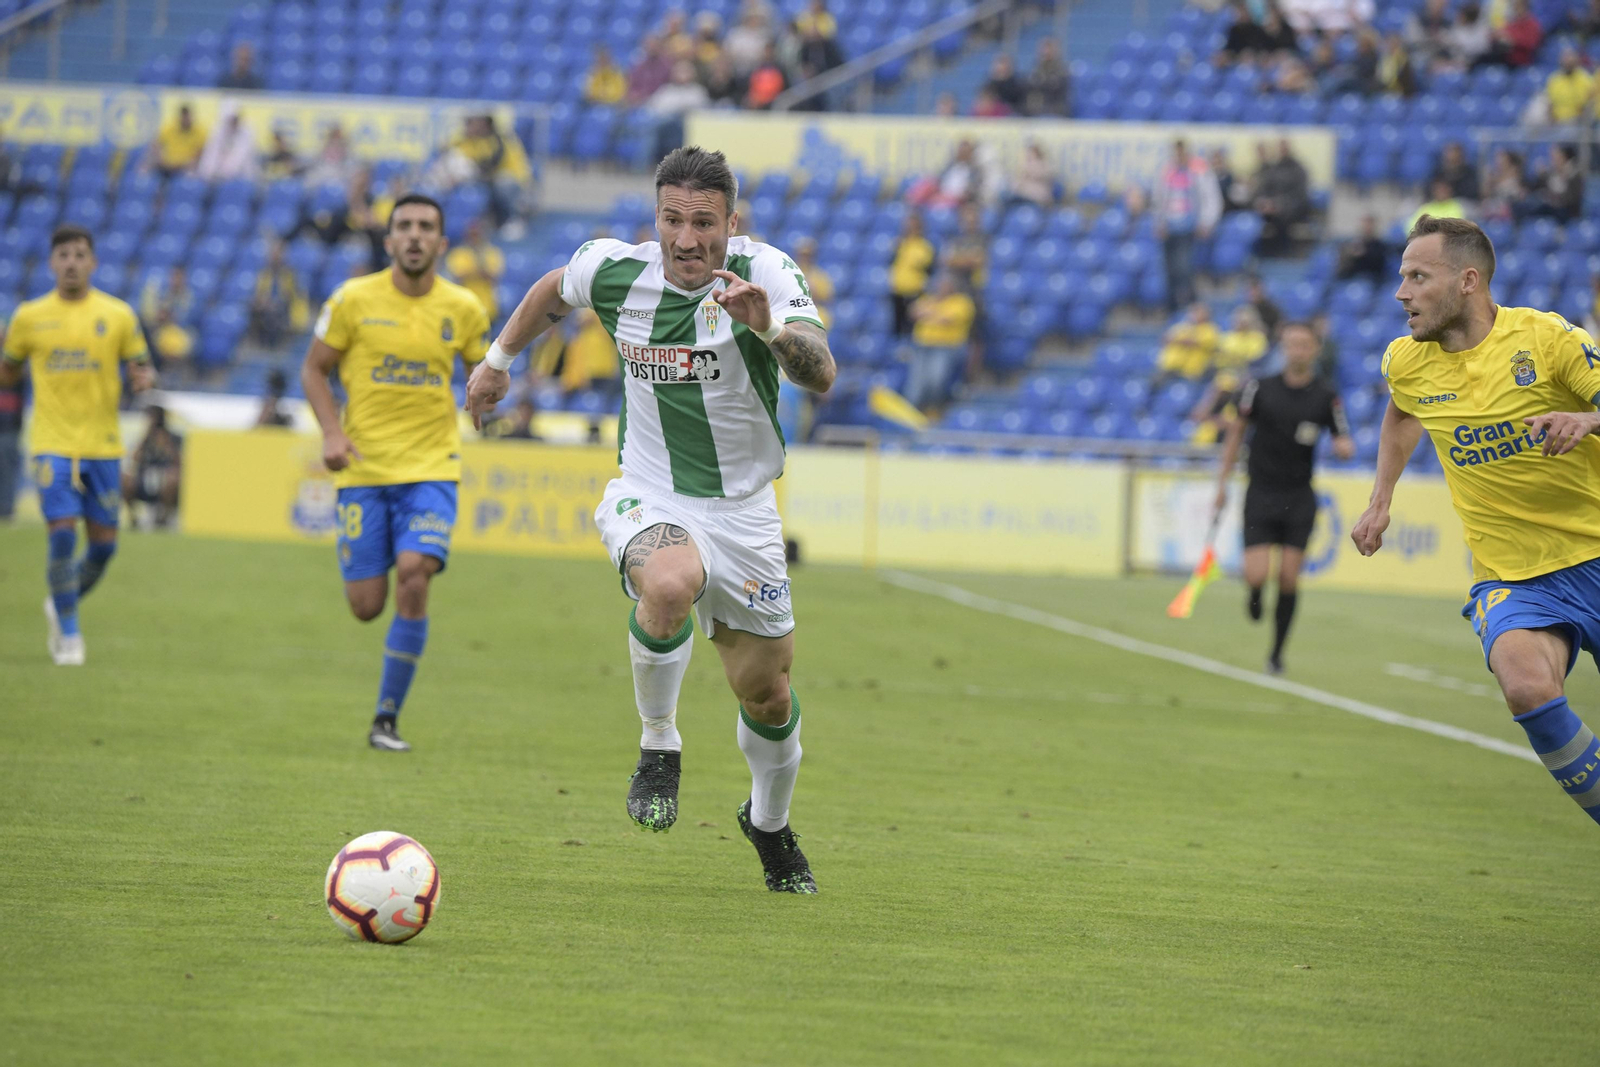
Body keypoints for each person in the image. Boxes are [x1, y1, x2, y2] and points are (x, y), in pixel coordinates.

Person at [464, 146, 836, 893]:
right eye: (673, 220)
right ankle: (658, 746)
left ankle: (767, 823)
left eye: (705, 222)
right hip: (651, 490)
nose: (688, 239)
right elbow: (551, 291)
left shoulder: (766, 273)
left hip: (745, 513)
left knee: (767, 693)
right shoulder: (614, 269)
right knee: (669, 581)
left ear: (733, 223)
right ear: (655, 219)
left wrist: (766, 331)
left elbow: (820, 372)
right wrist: (498, 359)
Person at [1352, 213, 1600, 830]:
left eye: (1417, 276)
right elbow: (1402, 416)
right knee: (1524, 683)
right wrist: (1381, 498)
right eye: (1400, 276)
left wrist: (1588, 421)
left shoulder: (1548, 342)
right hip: (1513, 576)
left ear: (1467, 281)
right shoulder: (1406, 362)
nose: (1400, 293)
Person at [299, 194, 490, 752]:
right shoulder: (353, 300)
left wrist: (488, 390)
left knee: (414, 572)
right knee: (365, 607)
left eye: (425, 227)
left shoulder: (464, 308)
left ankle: (386, 719)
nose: (414, 235)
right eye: (403, 226)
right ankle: (385, 710)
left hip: (432, 467)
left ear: (441, 242)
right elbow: (313, 369)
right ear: (388, 241)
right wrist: (333, 434)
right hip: (364, 471)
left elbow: (482, 370)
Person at [0, 225, 153, 666]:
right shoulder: (29, 317)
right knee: (64, 535)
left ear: (93, 263)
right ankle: (69, 632)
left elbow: (140, 366)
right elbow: (8, 370)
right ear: (52, 263)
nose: (71, 262)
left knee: (104, 546)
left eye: (79, 254)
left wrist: (144, 378)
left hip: (103, 445)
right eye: (63, 254)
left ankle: (60, 599)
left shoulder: (118, 315)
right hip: (51, 443)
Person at [1215, 321, 1354, 674]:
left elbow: (1342, 436)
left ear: (1314, 350)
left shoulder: (1325, 395)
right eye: (1292, 344)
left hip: (1299, 497)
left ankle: (1276, 653)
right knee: (1257, 574)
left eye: (1304, 345)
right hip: (1260, 493)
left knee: (1290, 578)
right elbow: (1236, 434)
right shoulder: (1259, 388)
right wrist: (1222, 482)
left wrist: (1344, 447)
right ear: (1283, 347)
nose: (1298, 351)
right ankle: (1255, 594)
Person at [1154, 139, 1222, 313]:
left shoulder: (1199, 171)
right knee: (1169, 270)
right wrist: (1159, 222)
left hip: (1189, 227)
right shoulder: (1167, 171)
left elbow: (1211, 198)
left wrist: (1206, 222)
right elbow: (1159, 200)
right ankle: (1172, 306)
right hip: (1170, 227)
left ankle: (1191, 304)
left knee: (1184, 267)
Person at [905, 271, 976, 411]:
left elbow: (947, 320)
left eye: (945, 285)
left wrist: (928, 314)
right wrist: (935, 313)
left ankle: (933, 408)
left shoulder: (961, 301)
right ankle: (914, 412)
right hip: (922, 345)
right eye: (939, 284)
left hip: (945, 347)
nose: (941, 287)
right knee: (916, 381)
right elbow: (913, 312)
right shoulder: (928, 298)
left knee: (936, 379)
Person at [121, 404, 182, 528]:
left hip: (163, 477)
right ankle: (134, 518)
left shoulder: (173, 437)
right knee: (125, 479)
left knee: (173, 479)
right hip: (144, 477)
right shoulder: (145, 438)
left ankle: (162, 518)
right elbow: (134, 458)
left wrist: (166, 445)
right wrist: (145, 439)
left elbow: (178, 462)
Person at [1252, 139, 1310, 257]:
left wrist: (1279, 204)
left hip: (1291, 208)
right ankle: (1259, 253)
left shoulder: (1297, 169)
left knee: (1282, 216)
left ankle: (1282, 252)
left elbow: (1300, 195)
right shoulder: (1273, 169)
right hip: (1270, 207)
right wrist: (1264, 202)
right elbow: (1264, 189)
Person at [249, 240, 309, 348]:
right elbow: (260, 292)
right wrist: (262, 300)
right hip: (267, 306)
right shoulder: (265, 272)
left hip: (285, 307)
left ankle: (276, 345)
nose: (275, 255)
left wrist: (274, 302)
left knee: (275, 312)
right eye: (273, 252)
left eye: (278, 252)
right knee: (255, 308)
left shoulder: (290, 273)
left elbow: (292, 295)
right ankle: (261, 342)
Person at [444, 218, 505, 323]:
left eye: (477, 234)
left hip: (487, 307)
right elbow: (458, 276)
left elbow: (493, 276)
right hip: (464, 306)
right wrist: (477, 272)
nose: (474, 238)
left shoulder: (492, 252)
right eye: (472, 235)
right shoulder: (458, 253)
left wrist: (475, 268)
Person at [889, 213, 935, 338]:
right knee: (897, 327)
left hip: (915, 292)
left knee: (912, 326)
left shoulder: (924, 246)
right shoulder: (900, 244)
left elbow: (927, 268)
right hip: (897, 291)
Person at [1154, 302, 1220, 385]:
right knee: (1156, 382)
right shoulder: (1182, 326)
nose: (1195, 315)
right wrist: (1178, 339)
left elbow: (1193, 343)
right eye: (1194, 312)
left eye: (1199, 312)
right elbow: (1165, 339)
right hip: (1172, 367)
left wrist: (1177, 340)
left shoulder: (1210, 329)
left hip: (1194, 370)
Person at [150, 105, 207, 179]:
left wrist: (188, 164)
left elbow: (201, 152)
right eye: (183, 117)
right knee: (148, 171)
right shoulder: (169, 129)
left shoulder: (200, 132)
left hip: (187, 167)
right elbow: (156, 145)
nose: (185, 120)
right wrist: (160, 159)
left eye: (187, 117)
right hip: (167, 166)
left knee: (191, 175)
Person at [1546, 46, 1593, 125]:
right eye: (1565, 59)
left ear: (1576, 61)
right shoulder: (1555, 79)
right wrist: (1552, 120)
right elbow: (1550, 104)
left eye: (1570, 59)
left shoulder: (1585, 79)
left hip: (1576, 122)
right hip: (1557, 122)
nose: (1568, 62)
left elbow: (1587, 105)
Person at [1337, 214, 1390, 282]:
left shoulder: (1379, 246)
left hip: (1372, 280)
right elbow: (1342, 270)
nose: (1366, 226)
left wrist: (1364, 253)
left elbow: (1379, 266)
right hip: (1351, 279)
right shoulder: (1352, 243)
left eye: (1368, 223)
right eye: (1364, 223)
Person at [1025, 37, 1069, 117]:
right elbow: (1031, 85)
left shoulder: (1061, 68)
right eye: (1044, 49)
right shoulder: (1037, 67)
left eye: (1049, 49)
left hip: (1055, 108)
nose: (1046, 52)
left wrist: (1042, 82)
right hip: (1036, 108)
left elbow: (1056, 87)